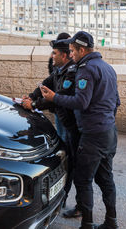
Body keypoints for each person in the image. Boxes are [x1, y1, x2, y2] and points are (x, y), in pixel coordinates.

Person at [41, 31, 120, 229]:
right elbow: (116, 102)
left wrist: (54, 98)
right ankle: (111, 221)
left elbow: (81, 102)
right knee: (105, 178)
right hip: (109, 132)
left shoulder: (86, 69)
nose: (71, 55)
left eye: (73, 51)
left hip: (93, 135)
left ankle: (87, 224)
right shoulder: (108, 68)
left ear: (82, 50)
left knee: (82, 179)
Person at [21, 32, 80, 209]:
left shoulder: (71, 72)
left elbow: (57, 96)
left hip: (73, 127)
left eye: (54, 53)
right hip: (62, 119)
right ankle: (62, 199)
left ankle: (78, 206)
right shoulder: (59, 69)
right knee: (65, 161)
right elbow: (45, 85)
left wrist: (33, 104)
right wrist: (31, 97)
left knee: (74, 165)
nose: (51, 56)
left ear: (65, 55)